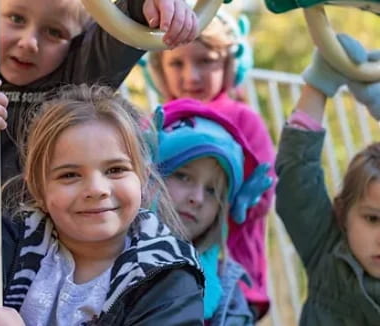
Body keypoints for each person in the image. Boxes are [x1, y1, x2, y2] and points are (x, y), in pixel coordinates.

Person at [0, 84, 205, 325]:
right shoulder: (18, 245)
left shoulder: (166, 278)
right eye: (70, 175)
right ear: (38, 188)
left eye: (115, 170)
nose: (96, 189)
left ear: (143, 179)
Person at [0, 0, 199, 182]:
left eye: (54, 32)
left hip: (38, 238)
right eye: (16, 19)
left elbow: (119, 30)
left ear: (77, 41)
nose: (29, 42)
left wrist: (149, 4)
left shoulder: (78, 72)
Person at [148, 12, 275, 317]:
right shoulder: (159, 120)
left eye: (206, 61)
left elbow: (263, 194)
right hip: (161, 261)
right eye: (177, 63)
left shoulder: (244, 118)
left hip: (230, 270)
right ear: (159, 69)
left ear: (230, 65)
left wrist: (226, 194)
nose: (191, 76)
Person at [275, 35, 380, 325]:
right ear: (343, 215)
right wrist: (319, 84)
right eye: (372, 219)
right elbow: (298, 176)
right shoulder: (327, 250)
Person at [153, 98, 272, 325]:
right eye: (183, 176)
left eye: (212, 191)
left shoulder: (231, 298)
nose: (197, 198)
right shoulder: (102, 256)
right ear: (149, 175)